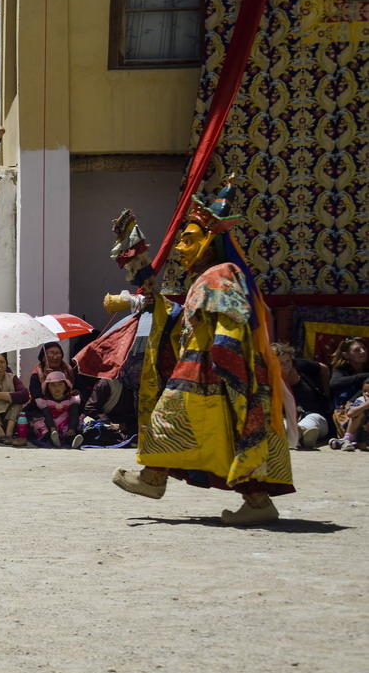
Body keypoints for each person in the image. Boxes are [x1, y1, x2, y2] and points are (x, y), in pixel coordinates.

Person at [110, 184, 293, 523]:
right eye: (180, 240)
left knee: (174, 419)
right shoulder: (206, 277)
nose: (181, 248)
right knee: (216, 435)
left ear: (209, 242)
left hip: (213, 370)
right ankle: (251, 501)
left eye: (188, 239)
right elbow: (185, 319)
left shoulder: (220, 274)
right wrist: (143, 272)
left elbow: (230, 325)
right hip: (203, 369)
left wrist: (227, 363)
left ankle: (157, 478)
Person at [33, 371, 83, 447]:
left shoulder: (71, 400)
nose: (57, 388)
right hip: (51, 426)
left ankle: (73, 441)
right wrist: (52, 428)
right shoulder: (45, 402)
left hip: (65, 425)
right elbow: (47, 415)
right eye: (52, 385)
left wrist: (71, 429)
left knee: (72, 431)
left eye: (60, 384)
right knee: (40, 425)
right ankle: (53, 440)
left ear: (66, 386)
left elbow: (74, 414)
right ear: (48, 387)